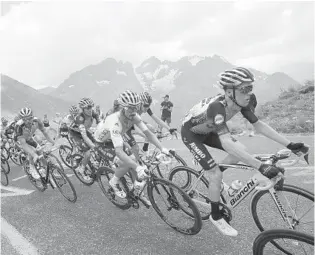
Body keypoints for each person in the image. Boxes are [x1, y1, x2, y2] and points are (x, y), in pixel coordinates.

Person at [181, 67, 309, 237]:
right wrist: (260, 166)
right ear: (228, 92)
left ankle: (216, 179)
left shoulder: (243, 102)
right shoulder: (216, 107)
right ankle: (215, 215)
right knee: (216, 175)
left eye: (250, 88)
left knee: (240, 150)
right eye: (244, 89)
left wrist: (290, 144)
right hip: (192, 134)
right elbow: (226, 142)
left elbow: (259, 126)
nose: (249, 93)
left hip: (210, 131)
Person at [93, 90, 171, 203]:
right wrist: (138, 168)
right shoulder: (115, 122)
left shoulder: (134, 116)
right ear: (123, 107)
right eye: (130, 108)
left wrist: (163, 149)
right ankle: (113, 182)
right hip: (102, 144)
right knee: (127, 162)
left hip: (115, 139)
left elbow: (148, 134)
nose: (134, 111)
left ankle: (136, 189)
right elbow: (119, 152)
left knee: (133, 160)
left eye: (136, 107)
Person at [124, 91, 177, 161]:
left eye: (148, 106)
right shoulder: (133, 109)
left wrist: (169, 129)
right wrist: (148, 136)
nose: (147, 108)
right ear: (140, 103)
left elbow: (156, 119)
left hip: (135, 122)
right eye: (145, 106)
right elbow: (137, 129)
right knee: (135, 151)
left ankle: (145, 149)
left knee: (150, 128)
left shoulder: (145, 106)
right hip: (126, 127)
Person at [15, 107, 55, 179]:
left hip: (29, 138)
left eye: (29, 118)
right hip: (20, 141)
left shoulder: (37, 121)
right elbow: (23, 144)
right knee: (33, 152)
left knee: (40, 152)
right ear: (22, 119)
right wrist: (34, 155)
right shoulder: (19, 126)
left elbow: (44, 132)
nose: (28, 121)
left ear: (32, 117)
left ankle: (47, 172)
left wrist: (51, 141)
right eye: (25, 119)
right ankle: (32, 168)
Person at [69, 98, 100, 181]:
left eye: (91, 107)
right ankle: (81, 169)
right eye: (88, 108)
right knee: (88, 152)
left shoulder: (93, 113)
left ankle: (94, 161)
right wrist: (92, 146)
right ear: (83, 109)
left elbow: (101, 124)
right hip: (75, 134)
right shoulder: (80, 118)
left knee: (99, 142)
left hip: (84, 130)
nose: (90, 110)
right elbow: (84, 136)